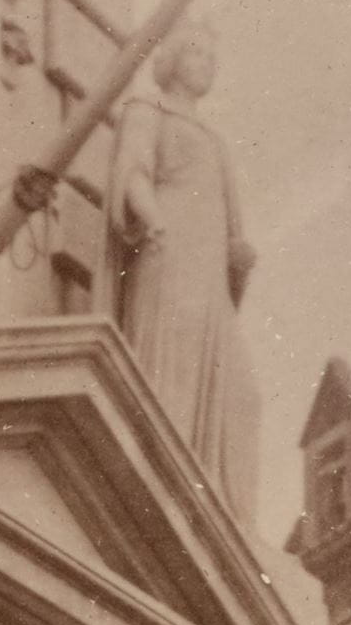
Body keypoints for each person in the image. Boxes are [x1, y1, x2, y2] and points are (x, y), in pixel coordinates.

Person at [110, 26, 260, 518]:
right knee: (170, 365)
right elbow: (133, 170)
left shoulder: (215, 138)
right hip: (169, 250)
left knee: (242, 394)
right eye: (195, 51)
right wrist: (151, 218)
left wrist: (238, 255)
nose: (204, 62)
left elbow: (227, 211)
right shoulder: (147, 110)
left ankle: (216, 501)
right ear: (171, 59)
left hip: (211, 271)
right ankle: (164, 481)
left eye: (211, 57)